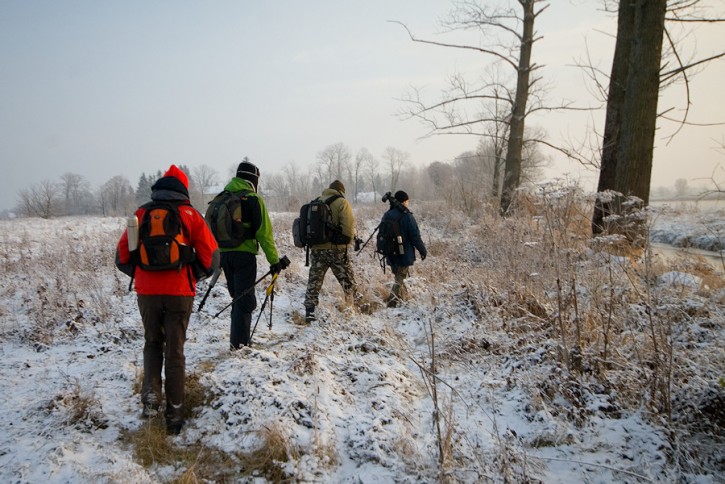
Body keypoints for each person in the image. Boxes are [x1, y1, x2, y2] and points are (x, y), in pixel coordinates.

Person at [115, 164, 220, 435]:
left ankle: (151, 400)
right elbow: (211, 257)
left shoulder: (141, 213)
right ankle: (174, 415)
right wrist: (191, 275)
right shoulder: (190, 214)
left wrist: (143, 275)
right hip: (179, 294)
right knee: (175, 351)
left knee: (152, 343)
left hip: (147, 293)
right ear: (183, 189)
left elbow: (122, 257)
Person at [218, 160, 284, 349]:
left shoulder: (222, 197)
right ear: (253, 180)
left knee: (237, 298)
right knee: (245, 300)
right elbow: (265, 234)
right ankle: (239, 345)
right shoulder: (253, 199)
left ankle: (237, 340)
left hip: (224, 256)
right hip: (244, 256)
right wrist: (274, 261)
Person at [303, 180, 359, 323]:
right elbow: (348, 229)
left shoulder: (316, 201)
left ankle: (309, 310)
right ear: (341, 191)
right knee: (347, 280)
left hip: (316, 250)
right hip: (336, 251)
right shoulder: (342, 203)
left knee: (314, 281)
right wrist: (347, 241)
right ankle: (354, 307)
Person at [381, 190, 427, 308]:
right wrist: (422, 250)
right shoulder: (407, 216)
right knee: (400, 277)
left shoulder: (387, 215)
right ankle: (391, 302)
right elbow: (415, 236)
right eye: (407, 201)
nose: (408, 203)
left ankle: (403, 299)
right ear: (404, 201)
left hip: (390, 251)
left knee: (399, 276)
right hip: (403, 252)